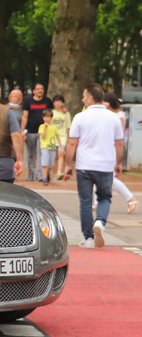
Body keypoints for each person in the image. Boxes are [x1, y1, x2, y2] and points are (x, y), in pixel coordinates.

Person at [63, 84, 124, 249]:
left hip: (84, 166)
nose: (82, 99)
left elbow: (72, 143)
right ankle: (100, 221)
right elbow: (119, 143)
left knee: (85, 201)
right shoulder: (113, 118)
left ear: (90, 98)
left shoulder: (80, 117)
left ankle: (88, 238)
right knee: (105, 197)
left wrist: (67, 165)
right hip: (105, 165)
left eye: (84, 96)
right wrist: (118, 162)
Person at [95, 93, 137, 213]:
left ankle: (131, 199)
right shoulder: (111, 115)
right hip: (107, 148)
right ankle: (96, 203)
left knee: (109, 178)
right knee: (98, 175)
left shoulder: (118, 116)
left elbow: (114, 134)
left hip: (112, 149)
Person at [21, 83, 53, 181]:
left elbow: (52, 114)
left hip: (43, 132)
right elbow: (25, 116)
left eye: (41, 89)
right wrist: (22, 131)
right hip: (30, 131)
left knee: (41, 153)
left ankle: (39, 174)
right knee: (30, 154)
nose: (40, 91)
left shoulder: (47, 101)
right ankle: (31, 173)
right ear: (33, 91)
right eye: (38, 89)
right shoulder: (28, 101)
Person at [38, 109, 61, 186]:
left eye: (48, 117)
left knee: (51, 164)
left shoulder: (54, 127)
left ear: (51, 117)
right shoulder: (41, 126)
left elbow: (57, 137)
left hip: (53, 147)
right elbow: (43, 136)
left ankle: (47, 172)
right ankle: (44, 178)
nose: (46, 119)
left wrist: (61, 147)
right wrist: (45, 128)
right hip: (45, 146)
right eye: (45, 117)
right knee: (45, 163)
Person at [51, 95, 71, 180]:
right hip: (52, 137)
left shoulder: (66, 113)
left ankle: (59, 171)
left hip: (62, 137)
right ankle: (55, 173)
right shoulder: (51, 112)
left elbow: (68, 126)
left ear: (63, 103)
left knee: (60, 154)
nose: (57, 103)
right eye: (55, 101)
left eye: (59, 101)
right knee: (52, 157)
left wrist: (69, 138)